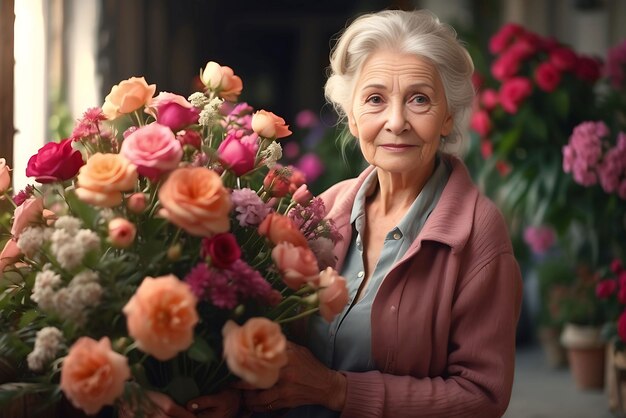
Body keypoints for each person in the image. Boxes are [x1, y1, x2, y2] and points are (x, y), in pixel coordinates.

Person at [139, 8, 523, 418]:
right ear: (353, 119)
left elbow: (482, 396)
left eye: (419, 100)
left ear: (447, 117)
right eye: (375, 99)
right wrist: (238, 398)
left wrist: (338, 391)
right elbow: (282, 354)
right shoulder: (322, 209)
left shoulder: (476, 231)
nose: (396, 121)